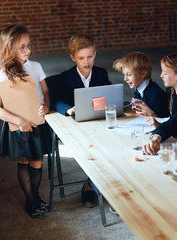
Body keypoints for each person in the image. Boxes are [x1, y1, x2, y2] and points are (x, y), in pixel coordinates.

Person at [0, 25, 51, 219]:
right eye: (22, 47)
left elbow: (46, 92)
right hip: (18, 126)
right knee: (24, 161)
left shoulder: (36, 67)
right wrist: (19, 120)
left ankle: (35, 195)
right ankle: (31, 200)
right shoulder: (4, 74)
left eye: (29, 45)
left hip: (38, 122)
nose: (28, 50)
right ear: (9, 49)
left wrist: (47, 106)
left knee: (38, 162)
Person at [54, 33, 111, 208]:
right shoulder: (65, 77)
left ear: (95, 53)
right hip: (75, 124)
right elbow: (57, 102)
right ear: (73, 57)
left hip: (98, 122)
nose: (86, 62)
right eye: (81, 58)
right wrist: (68, 109)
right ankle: (92, 184)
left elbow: (108, 95)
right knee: (92, 147)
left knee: (110, 143)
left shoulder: (101, 73)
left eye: (90, 56)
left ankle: (92, 183)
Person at [113, 52, 169, 118]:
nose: (125, 79)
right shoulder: (138, 89)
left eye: (129, 75)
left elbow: (164, 120)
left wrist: (149, 111)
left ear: (143, 74)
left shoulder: (156, 95)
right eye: (124, 74)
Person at [145, 53, 177, 128]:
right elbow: (167, 118)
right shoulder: (170, 90)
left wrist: (160, 126)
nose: (161, 76)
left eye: (165, 73)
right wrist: (149, 111)